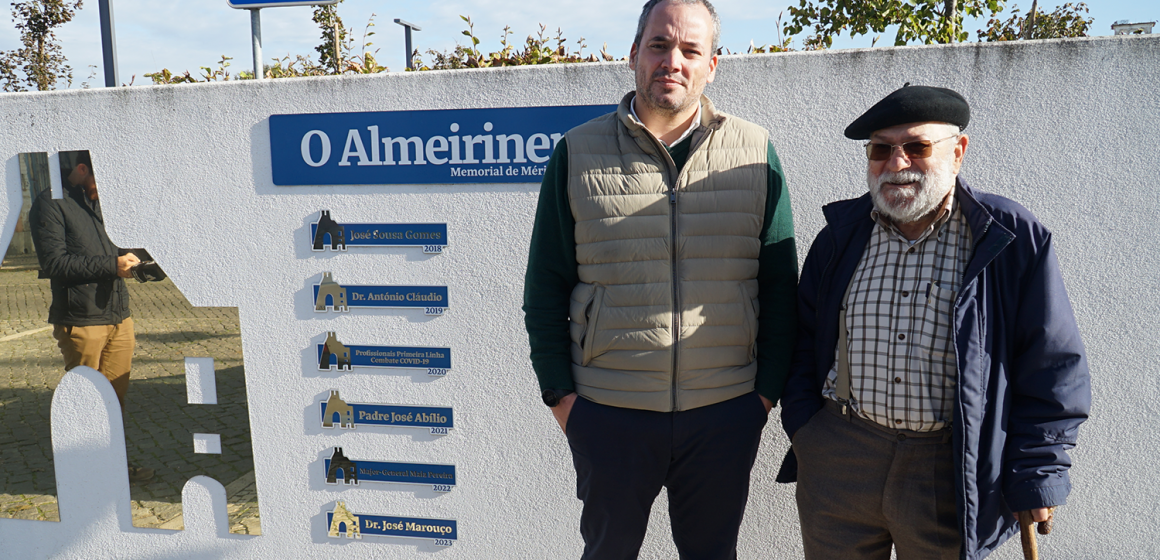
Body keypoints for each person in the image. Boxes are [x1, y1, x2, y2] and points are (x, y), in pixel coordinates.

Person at [522, 0, 798, 556]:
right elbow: (544, 286)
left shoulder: (756, 153)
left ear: (712, 65)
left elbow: (779, 289)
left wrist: (762, 398)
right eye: (659, 45)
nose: (673, 60)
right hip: (610, 414)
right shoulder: (577, 152)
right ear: (633, 55)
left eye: (691, 50)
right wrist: (563, 401)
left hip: (724, 414)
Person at [777, 85, 1091, 560]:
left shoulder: (1007, 238)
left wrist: (1039, 472)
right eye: (881, 149)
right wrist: (807, 429)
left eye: (917, 147)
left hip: (945, 469)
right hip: (838, 458)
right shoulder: (841, 237)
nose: (896, 163)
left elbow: (1053, 366)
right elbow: (803, 336)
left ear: (958, 152)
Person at [29, 151, 153, 482]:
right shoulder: (50, 203)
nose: (107, 190)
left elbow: (115, 246)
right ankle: (83, 478)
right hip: (82, 320)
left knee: (114, 399)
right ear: (82, 170)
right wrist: (111, 266)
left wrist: (143, 261)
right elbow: (55, 263)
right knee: (86, 402)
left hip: (119, 315)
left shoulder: (99, 201)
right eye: (101, 181)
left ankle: (114, 469)